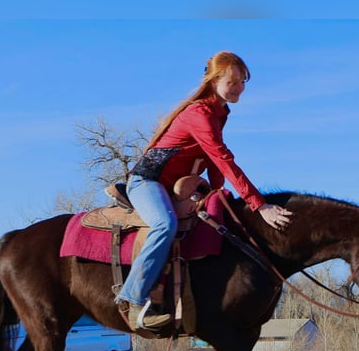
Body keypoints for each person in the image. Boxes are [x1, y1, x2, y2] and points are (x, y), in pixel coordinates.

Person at [116, 51, 293, 331]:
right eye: (232, 82)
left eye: (243, 81)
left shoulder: (219, 112)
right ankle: (133, 297)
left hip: (175, 188)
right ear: (214, 81)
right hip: (147, 182)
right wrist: (259, 204)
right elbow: (222, 156)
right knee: (165, 224)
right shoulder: (199, 113)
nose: (239, 88)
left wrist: (219, 195)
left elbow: (213, 160)